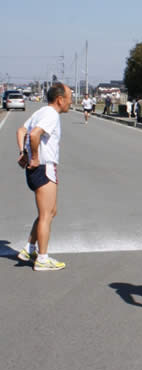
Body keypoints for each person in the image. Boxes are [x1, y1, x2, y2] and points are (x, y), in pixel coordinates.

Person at [15, 82, 73, 271]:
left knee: (49, 212)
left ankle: (29, 249)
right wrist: (35, 157)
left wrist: (24, 153)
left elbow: (21, 131)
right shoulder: (51, 115)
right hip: (44, 167)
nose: (71, 103)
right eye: (69, 99)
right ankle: (42, 258)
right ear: (60, 99)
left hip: (37, 168)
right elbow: (33, 134)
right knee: (46, 215)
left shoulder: (40, 112)